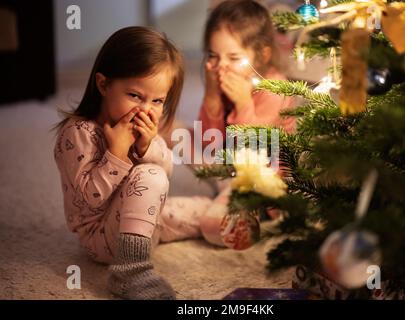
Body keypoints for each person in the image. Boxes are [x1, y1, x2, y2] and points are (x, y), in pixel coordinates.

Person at [54, 26, 212, 300]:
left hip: (143, 223)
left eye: (158, 100)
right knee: (150, 175)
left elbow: (167, 172)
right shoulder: (78, 133)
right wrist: (116, 151)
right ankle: (130, 271)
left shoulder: (146, 130)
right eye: (135, 96)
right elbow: (90, 199)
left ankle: (225, 213)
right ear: (103, 85)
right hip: (102, 237)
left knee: (203, 211)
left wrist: (146, 145)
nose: (145, 109)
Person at [196, 0, 296, 245]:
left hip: (263, 183)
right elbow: (209, 143)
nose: (221, 67)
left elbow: (254, 152)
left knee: (213, 227)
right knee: (177, 135)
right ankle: (219, 194)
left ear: (262, 55)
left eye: (233, 57)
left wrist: (243, 104)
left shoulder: (275, 90)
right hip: (227, 163)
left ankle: (240, 213)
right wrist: (211, 96)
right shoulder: (222, 77)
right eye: (214, 56)